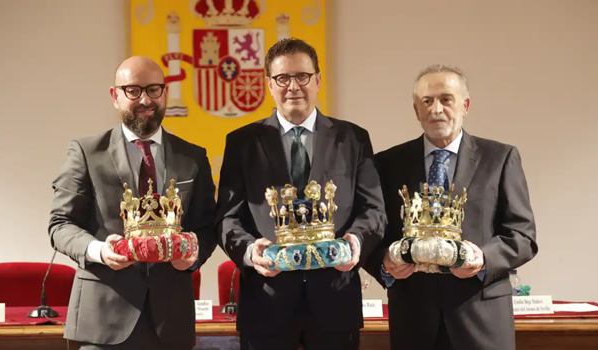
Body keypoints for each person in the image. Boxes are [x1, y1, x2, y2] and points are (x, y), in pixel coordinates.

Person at [215, 38, 386, 350]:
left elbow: (373, 211)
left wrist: (356, 243)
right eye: (282, 78)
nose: (293, 86)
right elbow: (227, 218)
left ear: (317, 80)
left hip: (335, 301)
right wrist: (251, 252)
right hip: (266, 303)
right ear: (269, 84)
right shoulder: (242, 143)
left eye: (302, 76)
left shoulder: (353, 139)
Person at [48, 56, 217, 349]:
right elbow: (60, 225)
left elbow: (207, 226)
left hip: (172, 322)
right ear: (115, 96)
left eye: (153, 90)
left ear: (165, 93)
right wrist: (100, 251)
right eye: (133, 91)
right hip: (103, 320)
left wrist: (192, 253)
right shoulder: (86, 152)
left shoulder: (193, 156)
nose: (145, 99)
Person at [364, 64, 538, 350]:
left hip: (482, 320)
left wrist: (482, 258)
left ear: (465, 105)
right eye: (427, 101)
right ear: (416, 110)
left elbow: (523, 236)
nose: (436, 109)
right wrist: (384, 263)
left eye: (446, 99)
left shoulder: (500, 158)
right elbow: (373, 231)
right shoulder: (386, 164)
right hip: (413, 320)